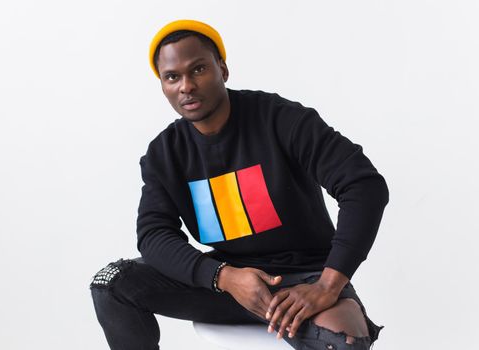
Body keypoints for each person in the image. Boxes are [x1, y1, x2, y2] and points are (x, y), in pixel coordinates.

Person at [90, 19, 389, 350]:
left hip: (303, 277)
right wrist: (222, 277)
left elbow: (363, 186)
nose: (186, 86)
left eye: (198, 69)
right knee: (111, 284)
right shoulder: (165, 153)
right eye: (172, 77)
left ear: (223, 69)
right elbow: (153, 235)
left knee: (343, 338)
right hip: (226, 282)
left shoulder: (280, 119)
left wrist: (329, 285)